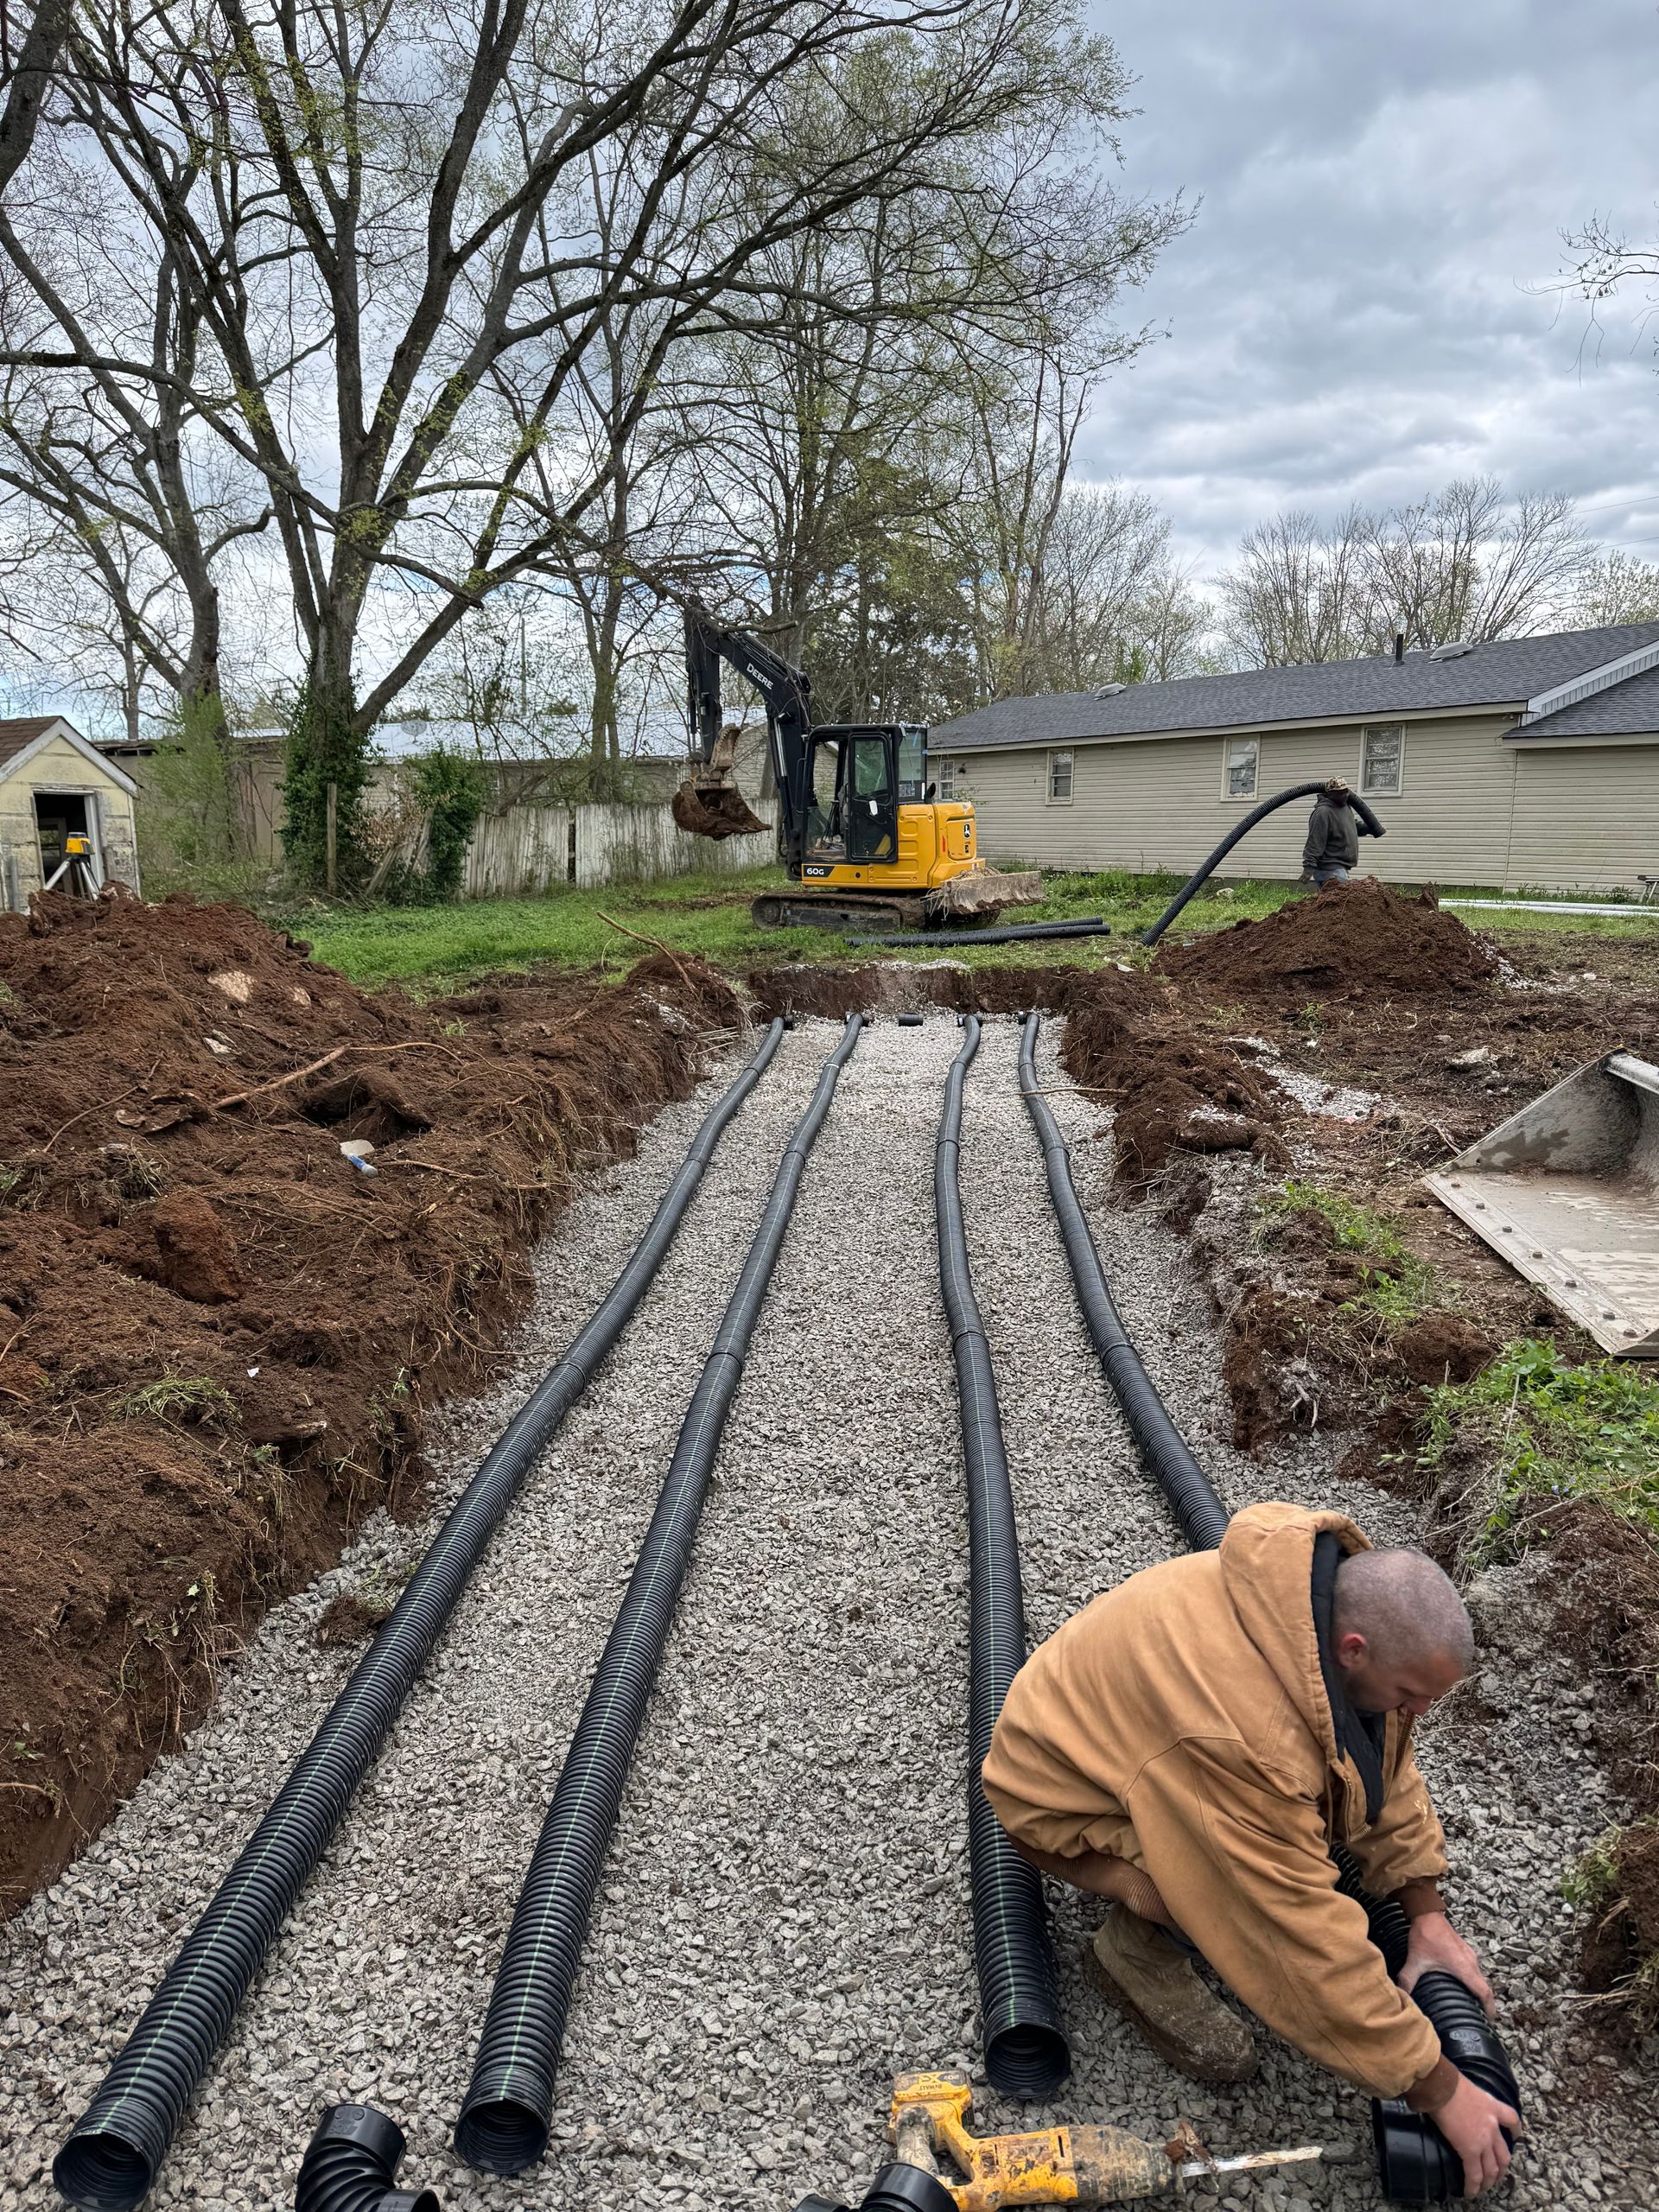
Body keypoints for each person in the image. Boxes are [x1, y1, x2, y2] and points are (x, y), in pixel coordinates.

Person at [982, 1503, 1522, 2199]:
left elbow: (1386, 1765)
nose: (1417, 1712)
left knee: (1306, 1821)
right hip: (1060, 1795)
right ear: (1354, 1649)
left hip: (1135, 1743)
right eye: (1412, 1695)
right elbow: (1286, 1930)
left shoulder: (1315, 1616)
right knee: (1209, 1887)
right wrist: (1437, 2087)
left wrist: (1425, 1912)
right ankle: (1131, 1950)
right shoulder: (1244, 1737)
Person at [1301, 779, 1360, 887]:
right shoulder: (1323, 812)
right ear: (1330, 794)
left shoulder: (1345, 807)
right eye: (1339, 793)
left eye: (1345, 791)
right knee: (1341, 902)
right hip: (1329, 870)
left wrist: (1365, 828)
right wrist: (1308, 867)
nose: (1344, 795)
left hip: (1341, 868)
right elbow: (1315, 840)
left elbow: (1345, 828)